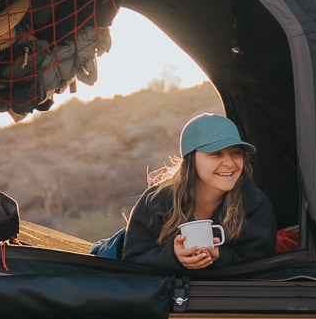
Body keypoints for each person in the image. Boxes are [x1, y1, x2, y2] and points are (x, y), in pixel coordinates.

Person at [115, 113, 276, 271]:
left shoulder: (255, 204)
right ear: (191, 160)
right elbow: (133, 260)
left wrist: (219, 257)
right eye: (216, 154)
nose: (229, 163)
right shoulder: (156, 201)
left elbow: (261, 264)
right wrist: (173, 257)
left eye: (236, 153)